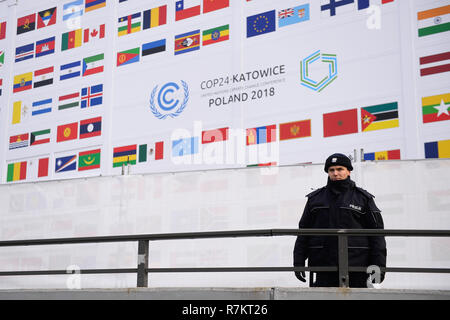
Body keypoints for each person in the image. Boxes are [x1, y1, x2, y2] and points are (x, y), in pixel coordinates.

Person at [293, 153, 387, 288]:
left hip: (356, 267)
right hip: (323, 267)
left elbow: (377, 235)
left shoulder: (363, 198)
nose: (335, 173)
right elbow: (303, 233)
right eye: (331, 170)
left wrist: (378, 267)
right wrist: (298, 262)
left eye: (340, 169)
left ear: (348, 171)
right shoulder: (315, 199)